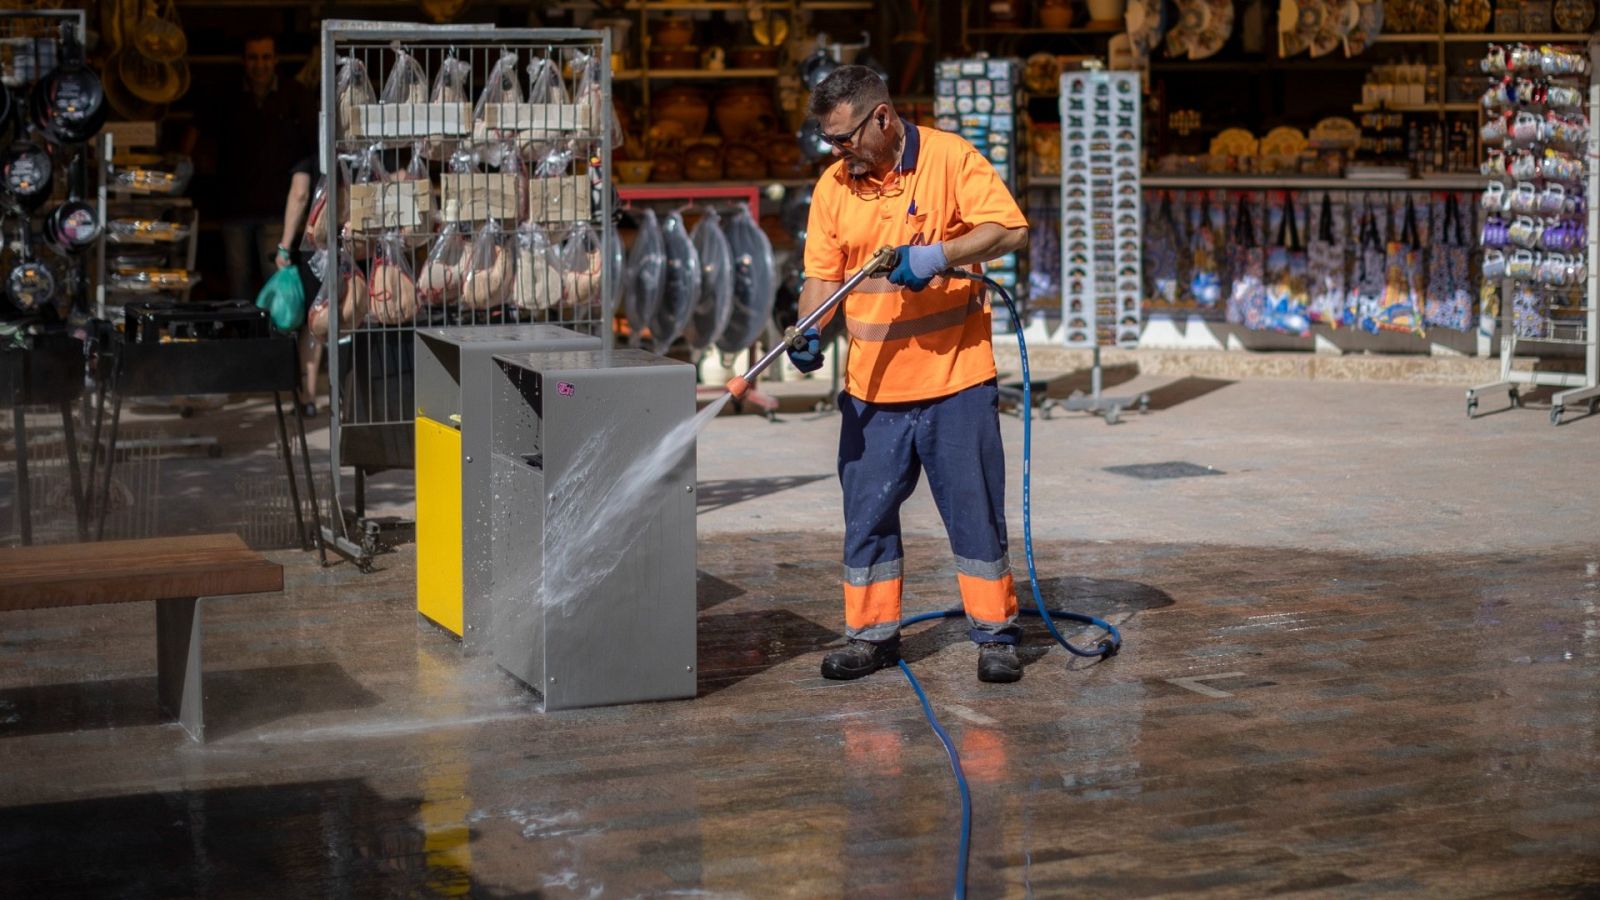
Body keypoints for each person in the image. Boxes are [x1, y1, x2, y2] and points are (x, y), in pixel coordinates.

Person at [794, 66, 1030, 684]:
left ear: (883, 118)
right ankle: (872, 636)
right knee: (866, 515)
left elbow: (1009, 228)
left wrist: (940, 254)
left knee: (974, 511)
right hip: (871, 390)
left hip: (956, 380)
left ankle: (996, 633)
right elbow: (821, 273)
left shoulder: (950, 159)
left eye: (845, 138)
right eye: (829, 142)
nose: (839, 152)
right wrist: (808, 328)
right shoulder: (833, 187)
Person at [186, 34, 313, 301]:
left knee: (276, 283)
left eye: (266, 57)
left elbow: (311, 144)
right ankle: (243, 338)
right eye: (253, 57)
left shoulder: (294, 96)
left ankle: (274, 340)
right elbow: (199, 130)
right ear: (244, 61)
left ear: (276, 60)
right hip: (235, 207)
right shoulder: (227, 96)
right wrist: (183, 161)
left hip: (276, 209)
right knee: (238, 284)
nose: (260, 64)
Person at [276, 156, 319, 417]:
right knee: (351, 318)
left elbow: (300, 193)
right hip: (356, 242)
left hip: (317, 244)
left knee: (316, 322)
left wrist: (284, 245)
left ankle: (309, 396)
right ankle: (347, 395)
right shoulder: (358, 146)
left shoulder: (309, 153)